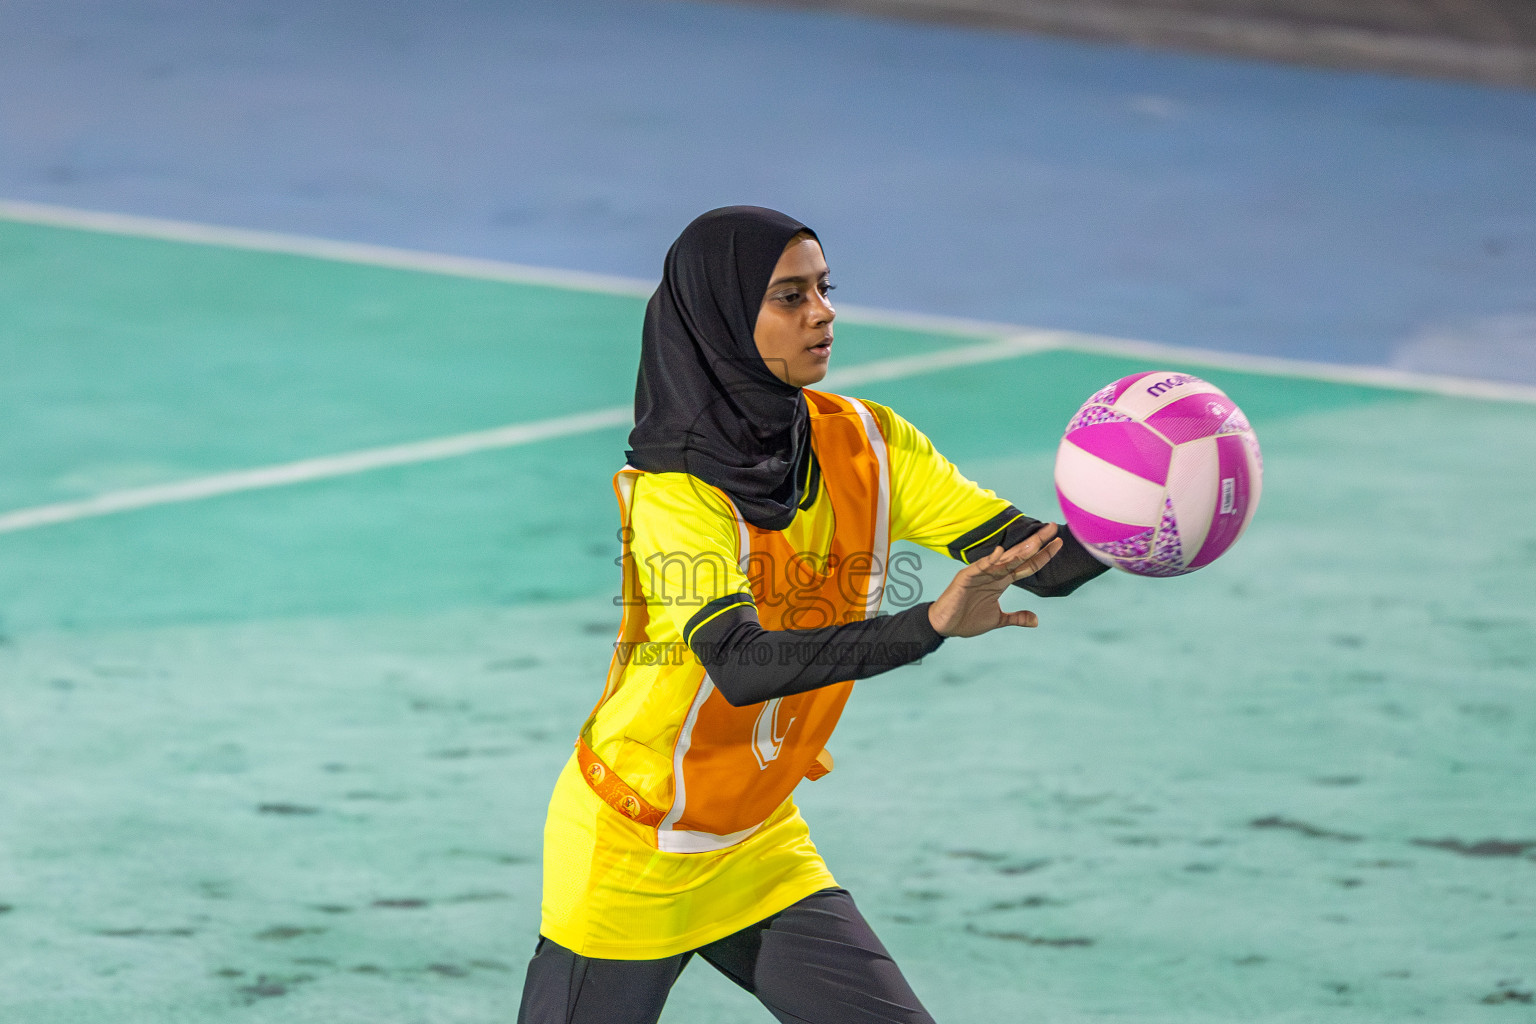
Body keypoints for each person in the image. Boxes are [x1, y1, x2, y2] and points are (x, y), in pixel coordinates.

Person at [517, 207, 1108, 1024]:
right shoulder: (676, 493)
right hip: (634, 846)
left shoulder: (867, 442)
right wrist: (928, 624)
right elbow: (742, 663)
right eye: (788, 296)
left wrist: (1150, 522)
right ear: (723, 318)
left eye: (824, 289)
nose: (823, 312)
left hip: (758, 840)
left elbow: (1043, 560)